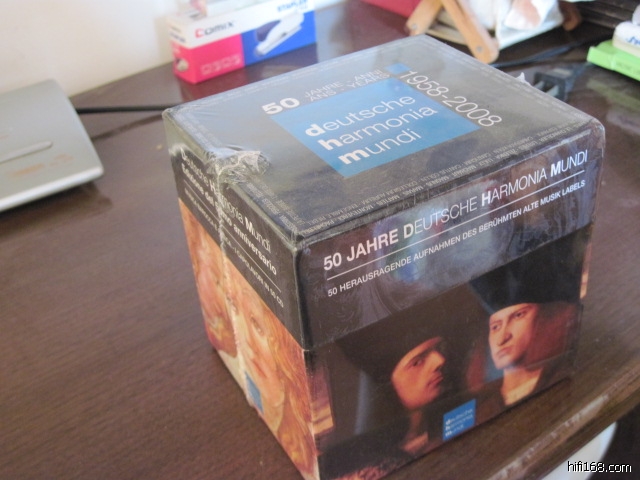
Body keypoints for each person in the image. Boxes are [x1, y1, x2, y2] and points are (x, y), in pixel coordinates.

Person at [470, 230, 586, 419]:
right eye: (495, 326)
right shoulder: (479, 411)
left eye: (518, 316)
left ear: (544, 319)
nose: (502, 338)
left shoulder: (562, 375)